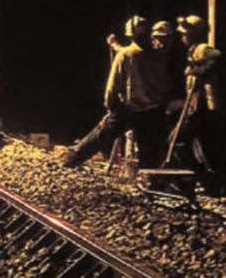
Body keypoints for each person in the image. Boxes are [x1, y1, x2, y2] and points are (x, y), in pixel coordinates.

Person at [63, 16, 168, 170]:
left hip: (130, 109)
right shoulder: (158, 55)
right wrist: (115, 45)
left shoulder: (124, 55)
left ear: (130, 35)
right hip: (153, 111)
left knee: (100, 135)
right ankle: (150, 179)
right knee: (149, 151)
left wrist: (111, 106)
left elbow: (112, 86)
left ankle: (70, 161)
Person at [170, 14, 226, 195]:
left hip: (202, 108)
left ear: (194, 33)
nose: (182, 37)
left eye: (185, 34)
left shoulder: (203, 49)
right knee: (205, 147)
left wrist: (197, 69)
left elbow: (217, 56)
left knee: (177, 140)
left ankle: (204, 178)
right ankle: (210, 184)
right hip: (198, 107)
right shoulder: (193, 50)